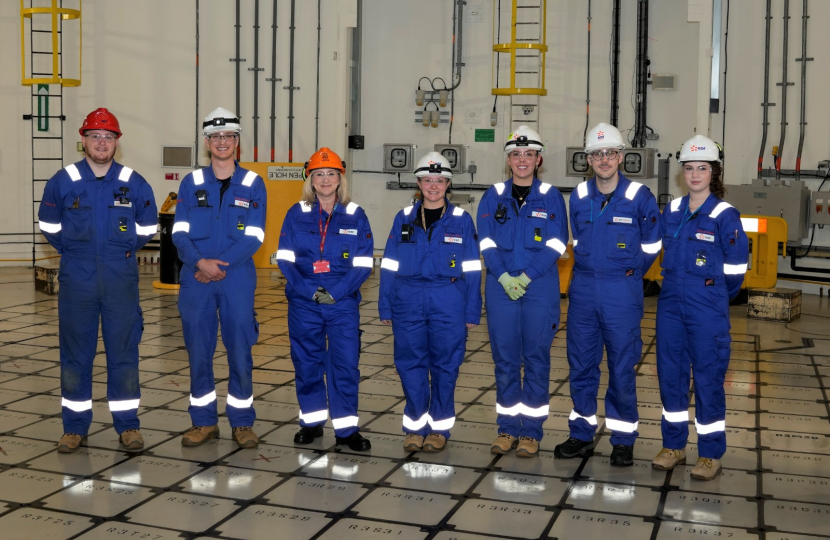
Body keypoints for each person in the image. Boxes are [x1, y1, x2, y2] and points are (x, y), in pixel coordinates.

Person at [38, 108, 158, 453]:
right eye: (94, 136)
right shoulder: (63, 180)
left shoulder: (133, 182)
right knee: (75, 355)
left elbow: (147, 229)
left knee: (124, 352)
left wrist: (117, 252)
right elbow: (49, 225)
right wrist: (76, 252)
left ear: (116, 142)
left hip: (120, 277)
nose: (101, 142)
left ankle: (128, 426)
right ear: (83, 140)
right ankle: (74, 428)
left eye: (108, 137)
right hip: (78, 278)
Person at [553, 123, 662, 467]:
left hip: (621, 291)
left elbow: (652, 245)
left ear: (621, 156)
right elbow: (578, 242)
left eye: (610, 153)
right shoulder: (579, 197)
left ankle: (623, 439)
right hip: (583, 289)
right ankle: (581, 434)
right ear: (588, 159)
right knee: (581, 365)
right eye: (597, 154)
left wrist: (628, 273)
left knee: (621, 368)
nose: (604, 159)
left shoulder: (640, 197)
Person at [651, 135, 748, 480]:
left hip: (707, 305)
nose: (694, 175)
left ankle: (709, 454)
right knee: (671, 376)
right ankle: (673, 445)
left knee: (708, 379)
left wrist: (716, 296)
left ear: (714, 172)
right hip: (671, 304)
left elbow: (736, 271)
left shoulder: (725, 215)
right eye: (689, 168)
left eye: (701, 168)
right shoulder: (672, 211)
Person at [172, 107, 267, 449]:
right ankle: (204, 422)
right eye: (215, 137)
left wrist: (218, 265)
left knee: (240, 350)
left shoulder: (254, 184)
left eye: (228, 136)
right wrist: (200, 262)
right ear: (207, 142)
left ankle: (242, 423)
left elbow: (254, 236)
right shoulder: (191, 182)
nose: (222, 142)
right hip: (195, 278)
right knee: (199, 350)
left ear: (237, 141)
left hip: (236, 276)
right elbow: (179, 233)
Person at [379, 152, 482, 452]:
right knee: (409, 364)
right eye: (427, 180)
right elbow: (389, 264)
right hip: (408, 300)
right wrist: (385, 305)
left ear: (448, 184)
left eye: (439, 180)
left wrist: (472, 309)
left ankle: (438, 429)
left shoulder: (462, 220)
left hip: (448, 299)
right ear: (418, 183)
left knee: (445, 365)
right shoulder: (404, 217)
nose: (433, 186)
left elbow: (473, 268)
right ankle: (414, 426)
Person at [477, 125, 568, 458]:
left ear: (538, 158)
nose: (522, 160)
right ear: (508, 159)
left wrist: (527, 277)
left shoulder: (552, 196)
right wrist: (502, 276)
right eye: (516, 154)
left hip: (539, 285)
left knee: (536, 358)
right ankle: (506, 427)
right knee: (504, 359)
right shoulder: (493, 195)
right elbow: (485, 239)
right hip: (501, 287)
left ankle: (530, 432)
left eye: (529, 154)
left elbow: (558, 241)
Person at [276, 147, 374, 452]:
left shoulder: (356, 215)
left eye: (331, 174)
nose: (325, 179)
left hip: (342, 301)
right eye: (319, 174)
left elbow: (364, 262)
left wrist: (336, 292)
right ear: (311, 179)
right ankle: (312, 422)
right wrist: (309, 291)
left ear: (340, 178)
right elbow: (285, 258)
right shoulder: (296, 213)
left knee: (345, 364)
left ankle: (346, 429)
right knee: (307, 362)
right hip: (304, 300)